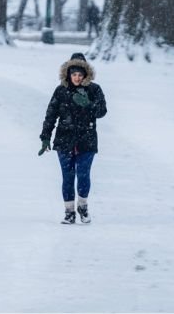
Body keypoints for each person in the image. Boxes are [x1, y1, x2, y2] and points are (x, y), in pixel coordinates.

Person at [39, 52, 107, 224]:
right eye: (73, 74)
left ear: (86, 74)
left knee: (83, 175)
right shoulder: (61, 90)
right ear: (68, 74)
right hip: (64, 140)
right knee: (68, 177)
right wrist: (45, 137)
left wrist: (88, 105)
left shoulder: (94, 89)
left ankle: (83, 207)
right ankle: (69, 212)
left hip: (87, 140)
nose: (77, 78)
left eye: (80, 74)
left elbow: (102, 111)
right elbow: (51, 115)